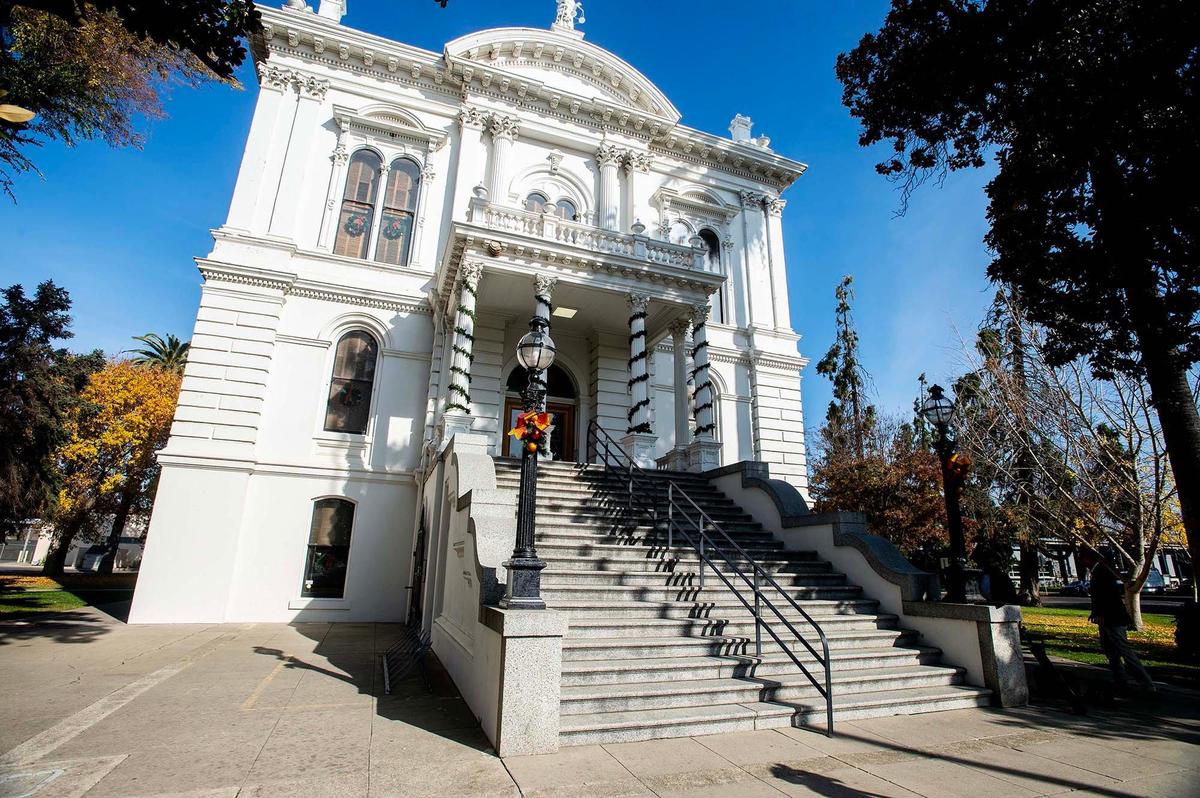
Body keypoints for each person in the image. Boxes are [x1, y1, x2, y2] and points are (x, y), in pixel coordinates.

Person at [1080, 548, 1156, 694]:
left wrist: (1101, 613)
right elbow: (1098, 597)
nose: (1081, 561)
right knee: (1110, 651)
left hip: (1112, 618)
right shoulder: (1098, 572)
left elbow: (1108, 596)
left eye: (1082, 558)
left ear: (1089, 559)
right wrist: (1095, 612)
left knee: (1123, 649)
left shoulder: (1102, 572)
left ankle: (1146, 682)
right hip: (1106, 618)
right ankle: (1120, 681)